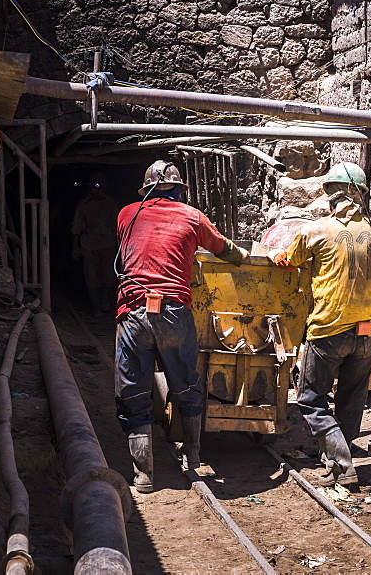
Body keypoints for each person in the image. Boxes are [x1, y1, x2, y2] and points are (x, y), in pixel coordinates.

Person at [115, 160, 248, 493]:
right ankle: (192, 456)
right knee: (187, 385)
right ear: (178, 190)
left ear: (146, 190)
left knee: (133, 392)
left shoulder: (126, 213)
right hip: (175, 311)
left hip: (133, 311)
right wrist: (243, 254)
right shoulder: (193, 217)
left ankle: (144, 475)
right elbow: (225, 250)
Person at [269, 162, 371, 488]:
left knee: (310, 398)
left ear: (331, 199)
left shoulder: (316, 229)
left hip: (330, 330)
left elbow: (290, 260)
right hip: (367, 329)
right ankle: (336, 457)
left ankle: (342, 463)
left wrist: (277, 255)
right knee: (351, 397)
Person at [71, 173, 119, 317]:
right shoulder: (84, 204)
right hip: (89, 245)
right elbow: (76, 226)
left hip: (108, 243)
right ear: (90, 189)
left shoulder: (111, 203)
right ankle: (96, 307)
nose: (97, 191)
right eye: (94, 188)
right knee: (91, 277)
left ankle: (105, 298)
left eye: (100, 188)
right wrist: (75, 247)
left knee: (109, 276)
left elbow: (118, 225)